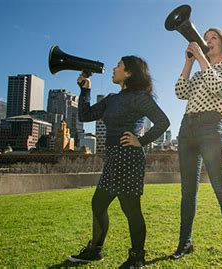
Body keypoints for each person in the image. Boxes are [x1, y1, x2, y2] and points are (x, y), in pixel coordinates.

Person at [67, 56, 170, 269]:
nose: (114, 69)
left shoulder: (139, 97)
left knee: (131, 208)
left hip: (129, 158)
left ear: (129, 73)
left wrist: (140, 141)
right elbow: (85, 115)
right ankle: (94, 251)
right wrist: (85, 90)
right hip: (113, 157)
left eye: (118, 66)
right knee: (98, 204)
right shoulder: (112, 99)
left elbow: (163, 122)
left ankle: (137, 258)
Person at [170, 28, 222, 268]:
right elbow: (180, 92)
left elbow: (219, 89)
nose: (207, 41)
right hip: (187, 128)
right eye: (206, 38)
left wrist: (202, 59)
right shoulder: (199, 72)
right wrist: (188, 63)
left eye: (212, 38)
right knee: (188, 192)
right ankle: (185, 243)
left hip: (212, 127)